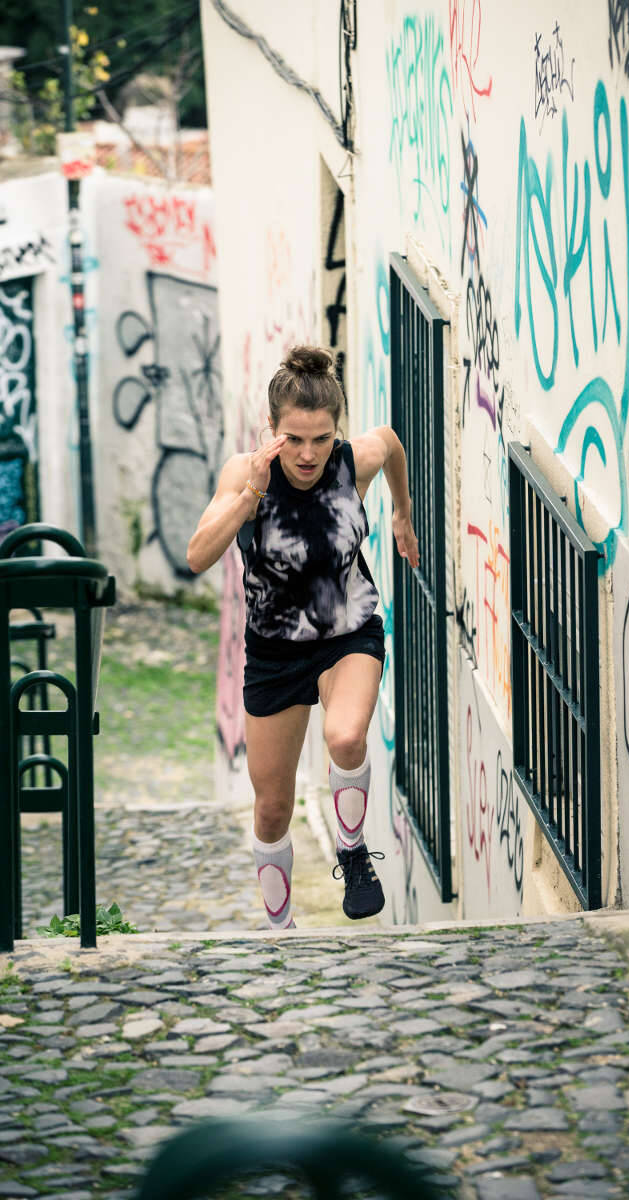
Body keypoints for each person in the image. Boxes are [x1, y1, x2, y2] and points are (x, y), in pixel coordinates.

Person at [187, 345, 419, 931]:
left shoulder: (353, 461)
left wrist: (402, 515)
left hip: (348, 631)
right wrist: (252, 495)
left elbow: (390, 442)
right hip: (274, 651)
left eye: (321, 438)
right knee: (272, 807)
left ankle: (352, 850)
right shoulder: (245, 473)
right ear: (272, 430)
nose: (309, 453)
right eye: (294, 439)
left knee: (345, 737)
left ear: (335, 430)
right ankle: (282, 933)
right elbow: (197, 556)